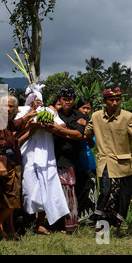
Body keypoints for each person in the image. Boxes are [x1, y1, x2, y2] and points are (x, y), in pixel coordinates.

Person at [84, 86, 132, 229]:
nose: (115, 103)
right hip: (105, 163)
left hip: (123, 165)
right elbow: (87, 133)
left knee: (122, 198)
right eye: (111, 100)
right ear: (104, 101)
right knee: (106, 194)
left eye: (117, 99)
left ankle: (114, 227)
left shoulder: (128, 117)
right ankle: (102, 232)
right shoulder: (96, 116)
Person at [15, 85, 70, 236]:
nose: (36, 100)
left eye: (38, 97)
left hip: (46, 156)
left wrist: (49, 123)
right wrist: (31, 123)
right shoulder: (21, 111)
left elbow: (62, 126)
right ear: (27, 97)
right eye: (33, 96)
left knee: (47, 188)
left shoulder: (48, 111)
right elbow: (15, 129)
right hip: (28, 156)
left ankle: (40, 224)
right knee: (29, 190)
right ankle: (26, 223)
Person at [0, 94, 33, 243]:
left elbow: (17, 124)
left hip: (8, 166)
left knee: (13, 201)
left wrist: (31, 114)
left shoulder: (9, 122)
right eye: (6, 106)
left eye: (11, 106)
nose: (8, 109)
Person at [45, 86, 88, 234]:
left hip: (68, 159)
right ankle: (55, 224)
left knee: (68, 191)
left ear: (74, 100)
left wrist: (57, 129)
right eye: (64, 99)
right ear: (59, 100)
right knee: (54, 193)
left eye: (70, 99)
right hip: (51, 158)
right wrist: (67, 132)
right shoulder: (53, 113)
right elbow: (72, 133)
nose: (67, 102)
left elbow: (78, 135)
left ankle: (70, 226)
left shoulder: (79, 116)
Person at [75, 97, 98, 225]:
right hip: (74, 161)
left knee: (89, 189)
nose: (85, 110)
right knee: (77, 190)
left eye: (88, 108)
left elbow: (92, 143)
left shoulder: (91, 124)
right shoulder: (72, 121)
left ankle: (88, 218)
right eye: (83, 107)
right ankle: (76, 217)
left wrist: (86, 129)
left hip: (88, 160)